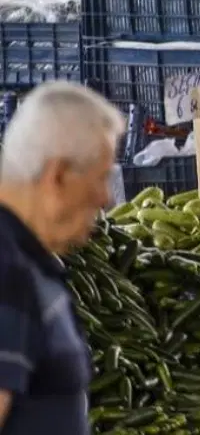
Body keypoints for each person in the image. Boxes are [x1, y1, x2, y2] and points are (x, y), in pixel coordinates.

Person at [0, 82, 126, 435]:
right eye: (101, 178)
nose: (106, 199)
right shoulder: (7, 271)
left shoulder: (24, 260)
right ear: (57, 175)